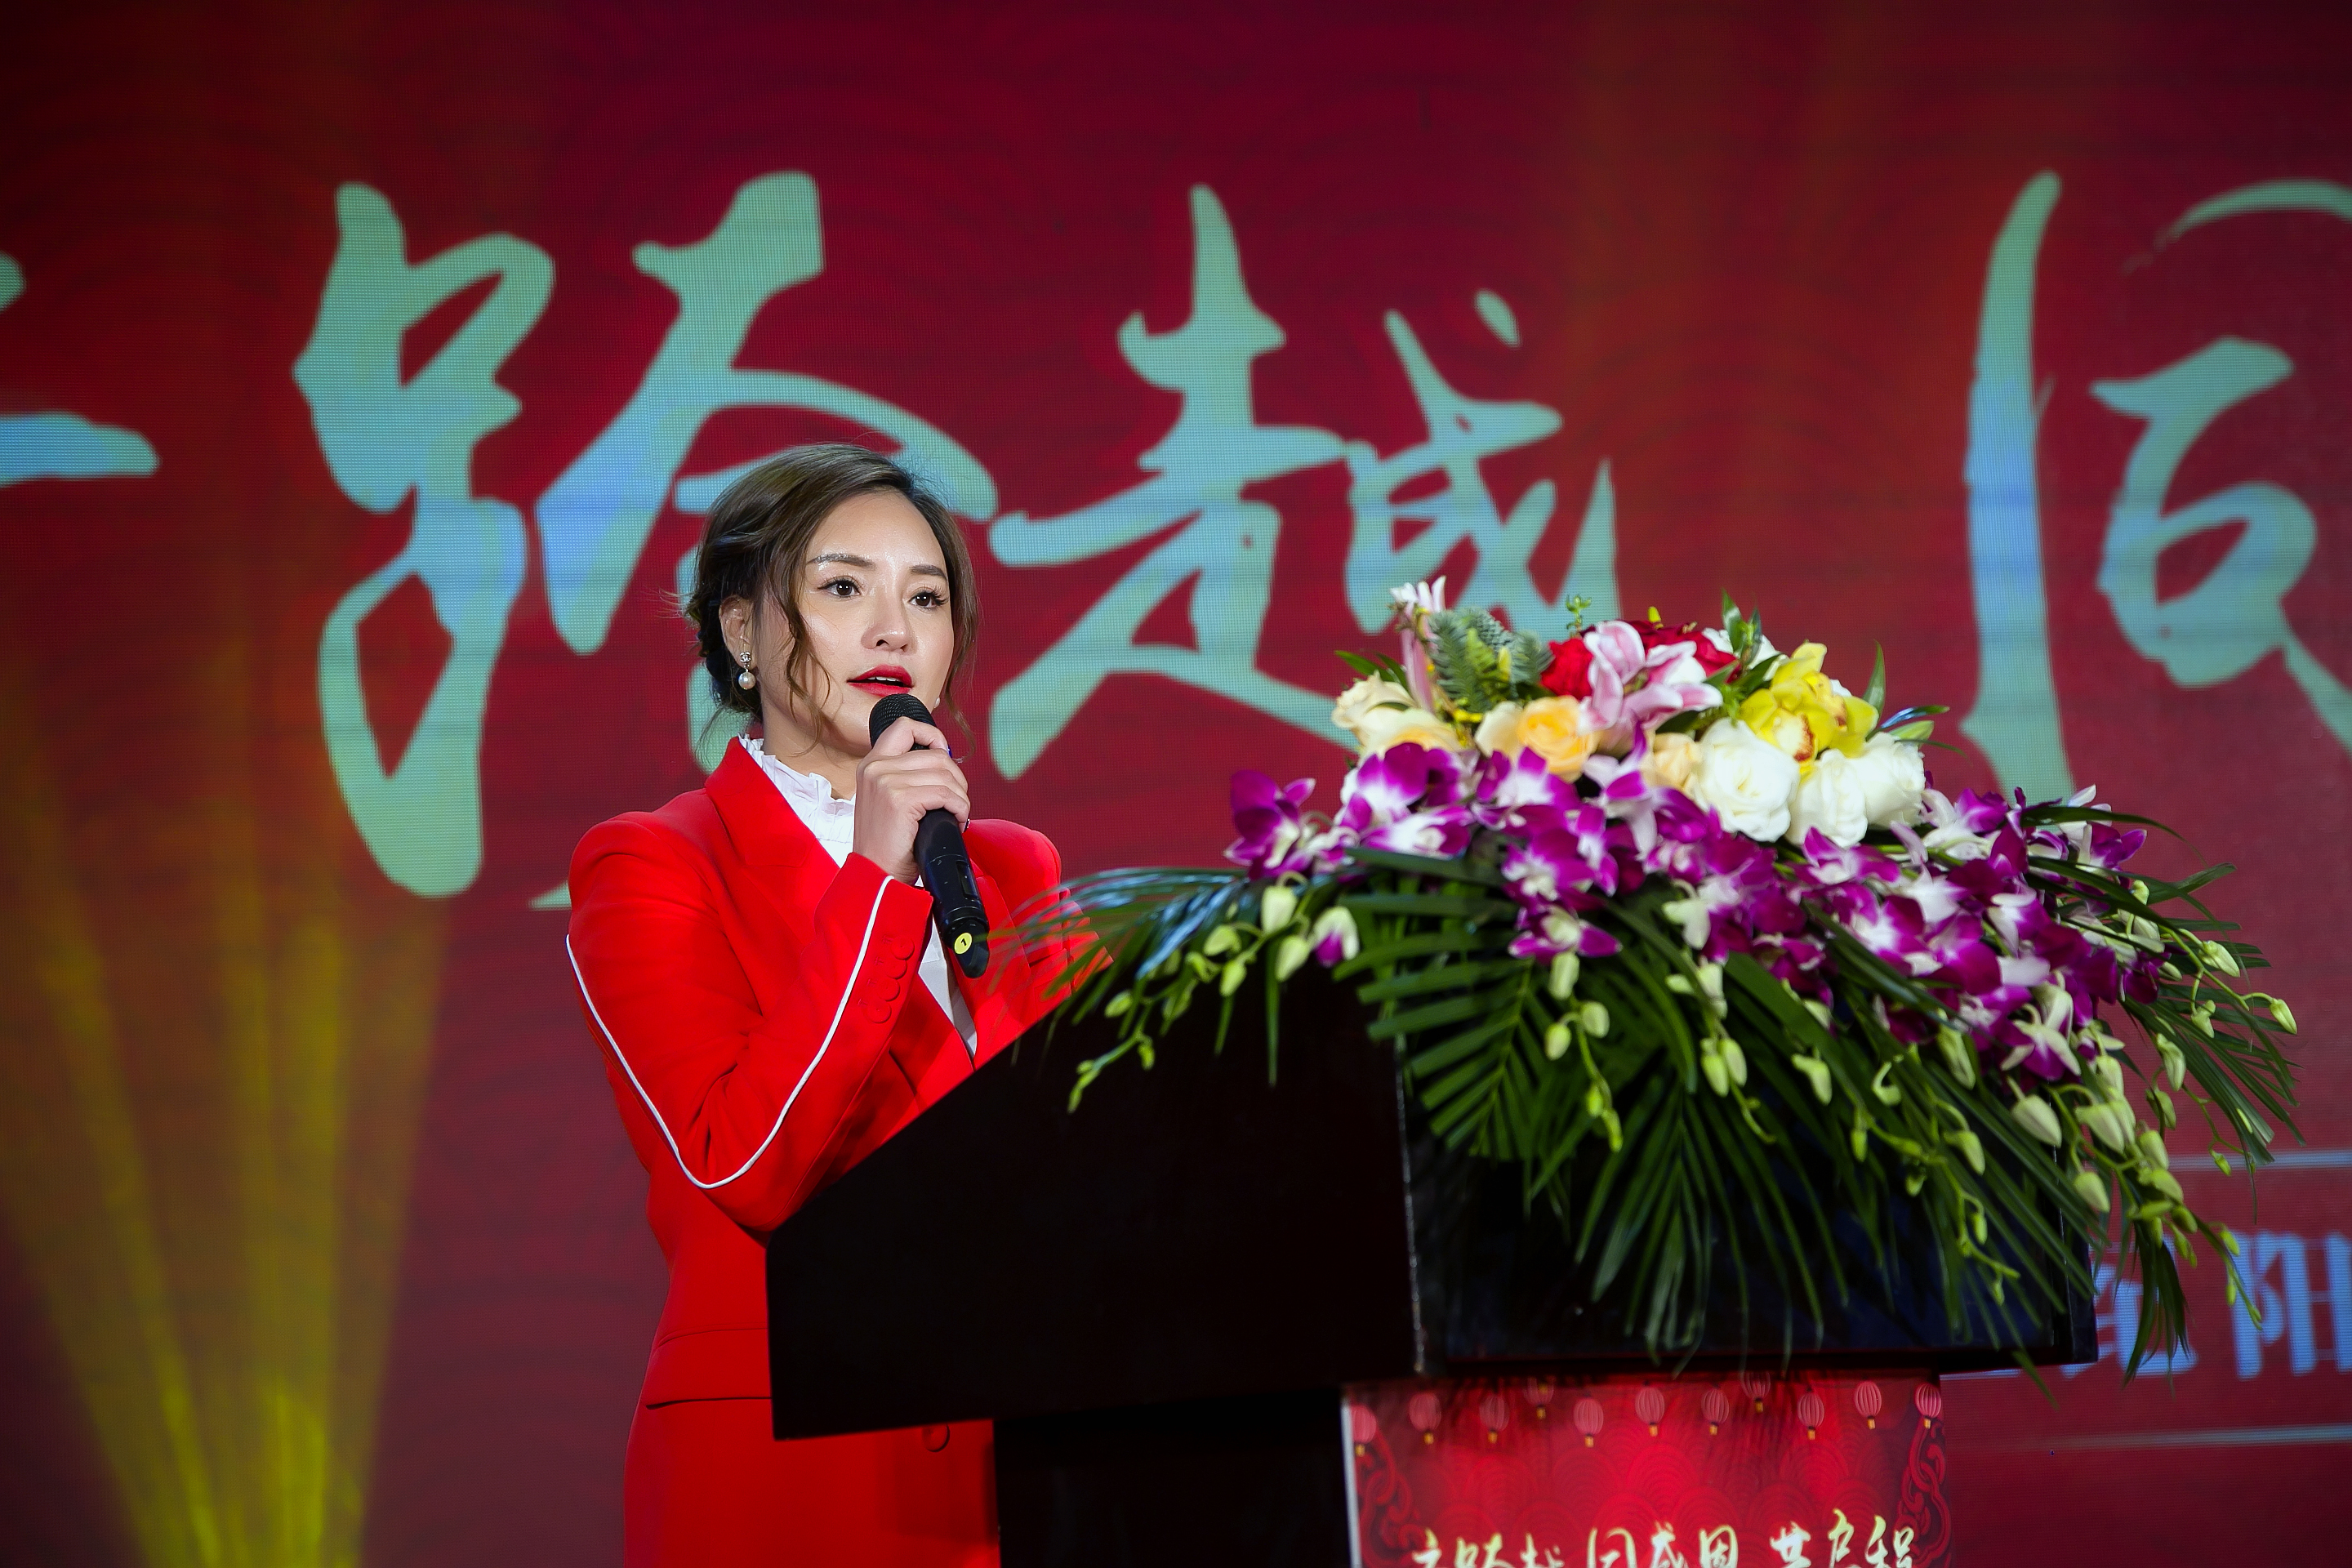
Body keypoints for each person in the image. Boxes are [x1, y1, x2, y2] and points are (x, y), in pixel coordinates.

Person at [566, 444, 1071, 1567]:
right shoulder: (652, 864)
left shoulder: (1016, 869)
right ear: (741, 630)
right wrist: (877, 882)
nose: (894, 631)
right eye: (844, 588)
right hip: (794, 1473)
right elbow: (745, 1163)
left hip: (1026, 1463)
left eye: (926, 599)